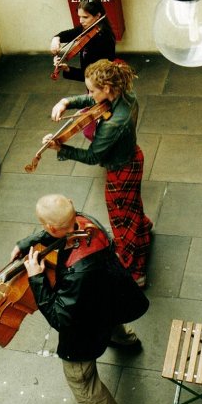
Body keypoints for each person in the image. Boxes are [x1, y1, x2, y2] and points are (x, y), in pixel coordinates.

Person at [10, 194, 149, 404]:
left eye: (43, 226)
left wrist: (37, 278)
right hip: (109, 300)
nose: (44, 229)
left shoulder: (78, 272)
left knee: (82, 381)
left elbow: (60, 317)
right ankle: (126, 339)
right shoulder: (86, 222)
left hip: (87, 328)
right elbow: (59, 233)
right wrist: (27, 243)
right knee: (111, 318)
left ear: (51, 227)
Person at [44, 59, 153, 287]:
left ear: (106, 88)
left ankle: (136, 270)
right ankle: (143, 228)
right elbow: (93, 100)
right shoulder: (124, 95)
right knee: (131, 208)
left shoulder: (114, 124)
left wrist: (61, 148)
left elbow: (94, 156)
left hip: (120, 170)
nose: (90, 94)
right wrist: (66, 101)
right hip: (132, 158)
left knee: (121, 218)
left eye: (93, 90)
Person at [50, 0, 116, 83]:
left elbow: (93, 76)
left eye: (85, 17)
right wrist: (56, 39)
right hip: (92, 81)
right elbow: (69, 34)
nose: (81, 21)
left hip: (101, 85)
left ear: (98, 15)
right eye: (79, 16)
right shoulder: (87, 28)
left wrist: (68, 69)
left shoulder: (103, 39)